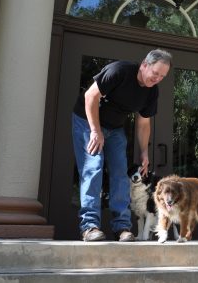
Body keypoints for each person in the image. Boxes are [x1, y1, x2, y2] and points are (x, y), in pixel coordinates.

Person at [71, 49, 172, 242]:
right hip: (87, 120)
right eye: (155, 73)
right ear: (144, 65)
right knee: (93, 166)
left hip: (115, 127)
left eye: (162, 76)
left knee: (120, 172)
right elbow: (90, 96)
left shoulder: (152, 92)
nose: (158, 78)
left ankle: (122, 228)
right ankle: (90, 226)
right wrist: (95, 131)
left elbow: (143, 123)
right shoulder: (119, 71)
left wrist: (144, 152)